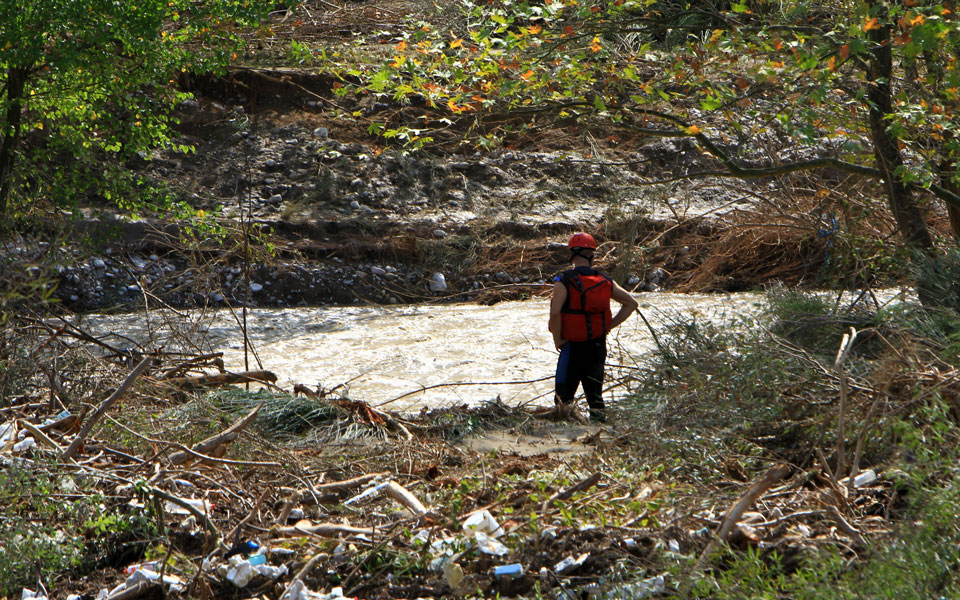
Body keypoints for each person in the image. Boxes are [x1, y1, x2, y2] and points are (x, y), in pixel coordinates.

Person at [549, 232, 639, 422]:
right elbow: (631, 303)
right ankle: (599, 439)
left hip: (571, 346)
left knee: (562, 399)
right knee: (595, 398)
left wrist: (557, 339)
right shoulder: (605, 280)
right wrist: (607, 327)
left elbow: (556, 313)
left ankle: (563, 441)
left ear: (571, 254)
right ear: (592, 254)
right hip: (597, 345)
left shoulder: (564, 280)